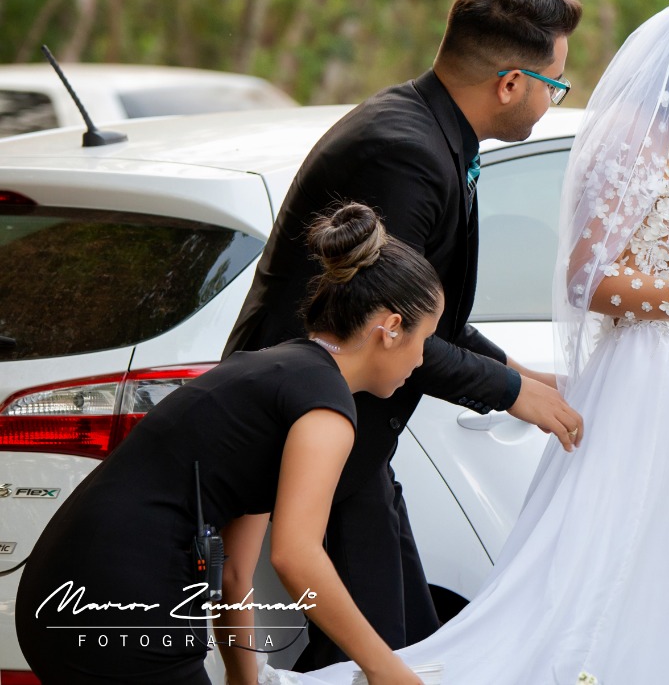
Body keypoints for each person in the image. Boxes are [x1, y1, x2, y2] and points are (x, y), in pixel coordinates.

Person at [288, 0, 669, 685]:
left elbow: (449, 317)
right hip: (640, 379)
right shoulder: (619, 141)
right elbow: (590, 280)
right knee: (591, 585)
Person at [222, 0, 586, 669]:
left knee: (411, 645)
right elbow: (386, 328)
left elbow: (423, 318)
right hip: (312, 431)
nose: (553, 98)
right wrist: (513, 394)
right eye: (555, 84)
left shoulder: (428, 130)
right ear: (511, 82)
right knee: (377, 655)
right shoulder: (406, 152)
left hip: (357, 445)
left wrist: (519, 373)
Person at [16, 203, 443, 685]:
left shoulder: (276, 374)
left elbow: (236, 574)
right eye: (424, 337)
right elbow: (296, 556)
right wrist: (389, 670)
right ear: (389, 329)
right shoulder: (326, 409)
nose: (423, 358)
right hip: (125, 599)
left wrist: (245, 679)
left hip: (59, 592)